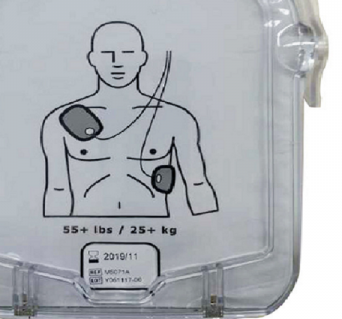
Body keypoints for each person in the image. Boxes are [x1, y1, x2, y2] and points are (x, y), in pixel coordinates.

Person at [41, 21, 218, 217]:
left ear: (142, 58)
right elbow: (57, 189)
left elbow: (197, 183)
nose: (117, 62)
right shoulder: (60, 121)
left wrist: (211, 230)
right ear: (92, 58)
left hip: (156, 224)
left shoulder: (176, 118)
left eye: (127, 53)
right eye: (107, 53)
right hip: (84, 225)